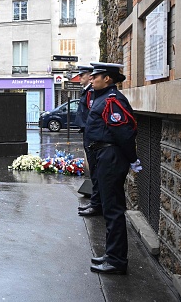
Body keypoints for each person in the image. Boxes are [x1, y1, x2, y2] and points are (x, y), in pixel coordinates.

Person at [86, 62, 140, 275]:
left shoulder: (113, 101)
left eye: (95, 76)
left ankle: (117, 260)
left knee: (113, 209)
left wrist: (133, 159)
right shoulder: (103, 98)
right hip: (104, 156)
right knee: (110, 209)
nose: (91, 79)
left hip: (111, 157)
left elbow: (124, 133)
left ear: (107, 78)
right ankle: (112, 254)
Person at [73, 66, 102, 217]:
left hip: (91, 134)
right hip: (87, 132)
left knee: (96, 171)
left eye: (82, 75)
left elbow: (91, 113)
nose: (80, 78)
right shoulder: (88, 90)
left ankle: (97, 204)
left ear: (90, 75)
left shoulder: (92, 92)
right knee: (94, 171)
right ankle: (96, 202)